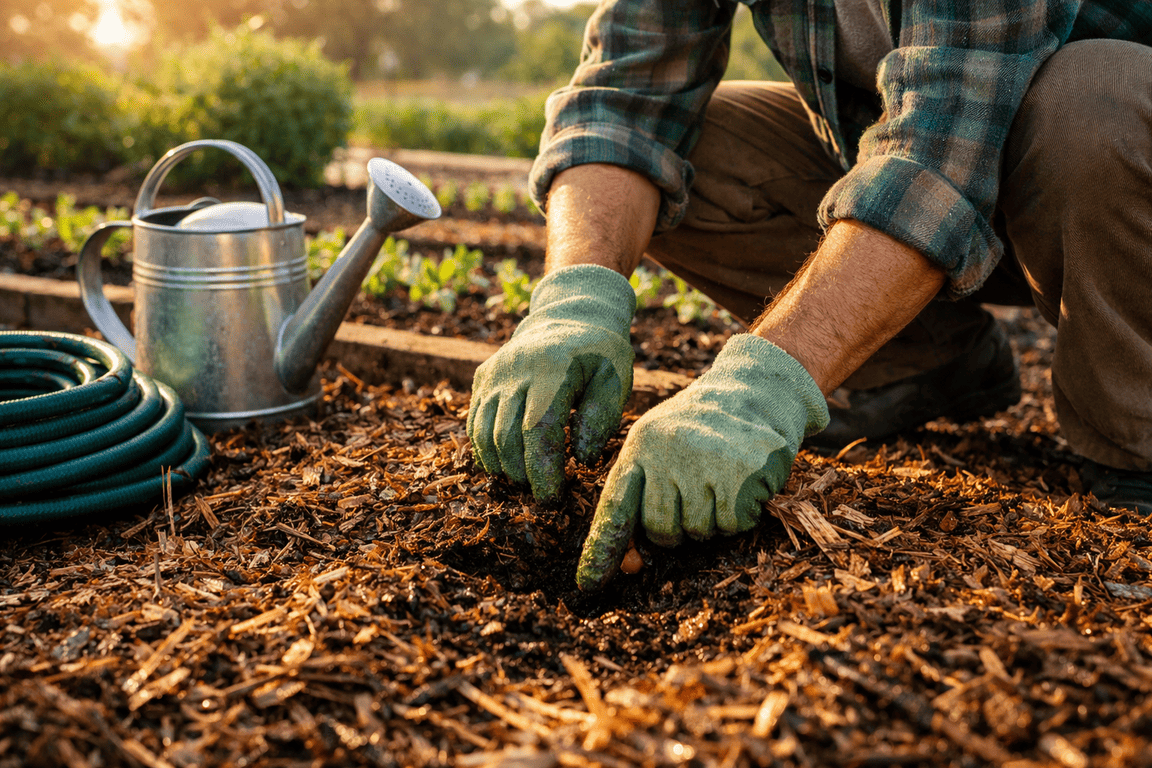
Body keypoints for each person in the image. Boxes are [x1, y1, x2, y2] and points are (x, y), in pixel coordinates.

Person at [467, 0, 1152, 591]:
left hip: (1106, 195)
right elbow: (622, 101)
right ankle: (917, 364)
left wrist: (758, 388)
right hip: (949, 176)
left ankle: (1135, 442)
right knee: (695, 152)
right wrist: (573, 298)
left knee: (1094, 107)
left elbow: (942, 150)